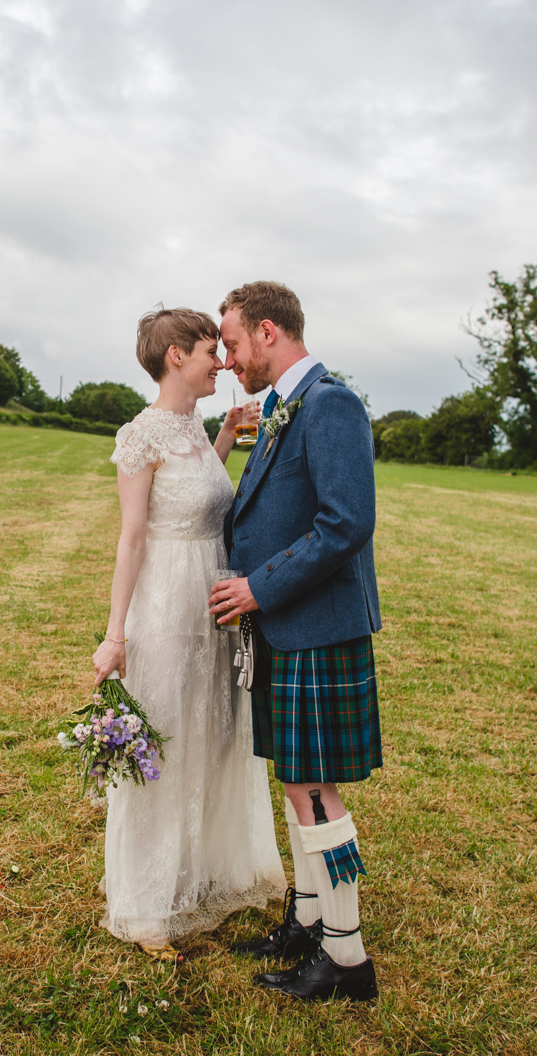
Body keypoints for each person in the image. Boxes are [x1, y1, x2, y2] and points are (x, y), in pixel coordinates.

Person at [90, 306, 287, 957]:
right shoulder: (142, 434)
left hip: (215, 602)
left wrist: (227, 433)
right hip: (168, 608)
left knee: (213, 734)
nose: (222, 361)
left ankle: (196, 873)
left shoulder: (197, 426)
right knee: (167, 743)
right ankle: (146, 905)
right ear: (177, 356)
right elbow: (133, 537)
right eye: (210, 351)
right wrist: (115, 634)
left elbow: (203, 498)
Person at [208, 280, 383, 1002]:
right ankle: (311, 922)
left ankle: (347, 959)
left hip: (314, 624)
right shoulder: (287, 406)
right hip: (290, 626)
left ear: (270, 331)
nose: (227, 358)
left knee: (315, 788)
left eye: (233, 342)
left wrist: (258, 587)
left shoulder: (330, 403)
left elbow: (345, 523)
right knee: (296, 779)